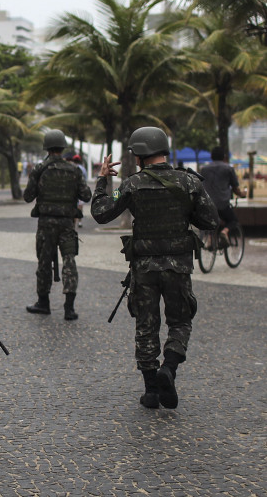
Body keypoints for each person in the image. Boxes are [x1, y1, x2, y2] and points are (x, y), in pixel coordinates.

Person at [91, 127, 218, 410]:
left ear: (138, 155)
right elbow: (210, 220)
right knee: (181, 320)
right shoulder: (188, 182)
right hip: (178, 267)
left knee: (145, 325)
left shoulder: (131, 185)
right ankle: (169, 369)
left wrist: (102, 180)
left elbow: (101, 212)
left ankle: (151, 390)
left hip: (144, 267)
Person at [23, 130, 91, 320]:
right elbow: (86, 195)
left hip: (46, 224)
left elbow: (28, 196)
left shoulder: (40, 169)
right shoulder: (74, 170)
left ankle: (43, 303)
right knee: (69, 261)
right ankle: (69, 308)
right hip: (67, 224)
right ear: (62, 148)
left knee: (44, 263)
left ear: (47, 148)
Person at [200, 147, 247, 248]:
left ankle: (210, 239)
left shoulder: (204, 169)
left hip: (207, 204)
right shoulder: (228, 168)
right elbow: (235, 188)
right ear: (224, 157)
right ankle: (225, 232)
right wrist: (242, 194)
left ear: (211, 157)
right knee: (233, 220)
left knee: (211, 222)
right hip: (222, 204)